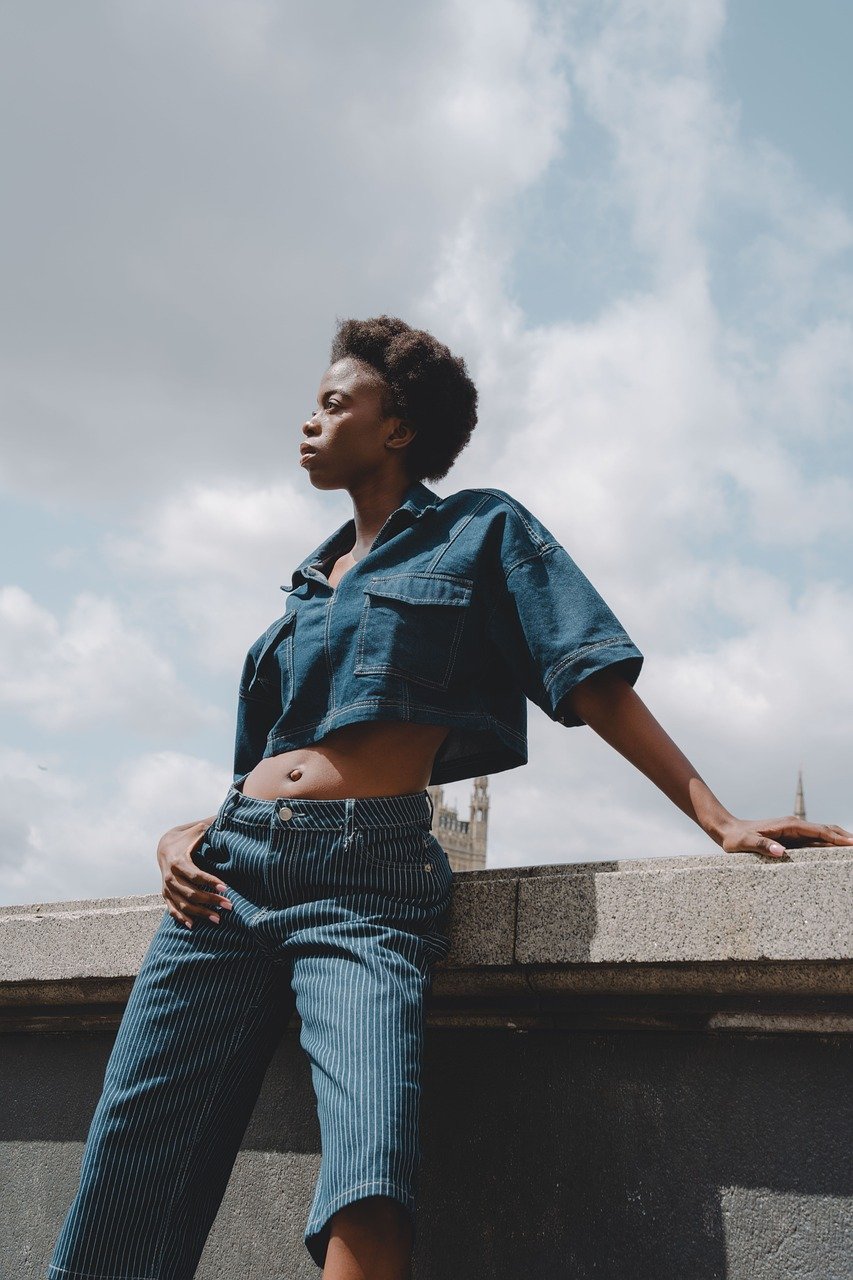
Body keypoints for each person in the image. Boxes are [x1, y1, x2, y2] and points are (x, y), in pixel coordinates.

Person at [47, 316, 853, 1280]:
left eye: (334, 402)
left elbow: (590, 678)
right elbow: (269, 760)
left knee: (368, 1172)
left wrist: (716, 817)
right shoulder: (307, 584)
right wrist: (188, 830)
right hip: (224, 881)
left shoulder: (480, 528)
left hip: (367, 883)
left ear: (397, 428)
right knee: (134, 1152)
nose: (308, 421)